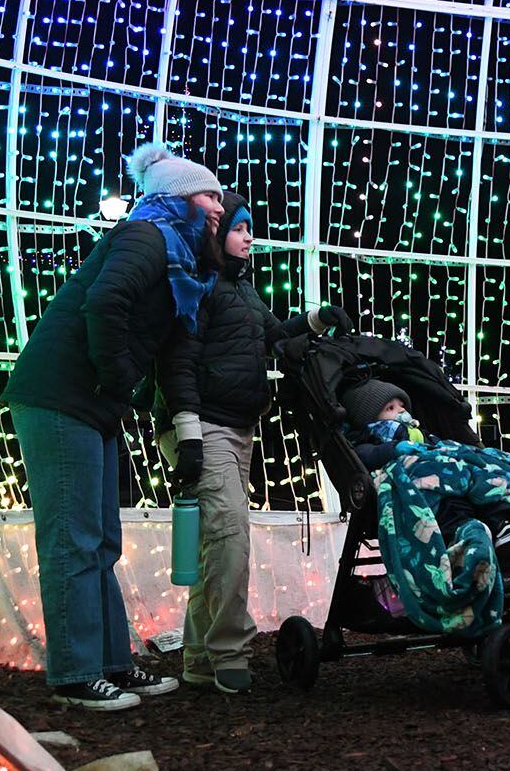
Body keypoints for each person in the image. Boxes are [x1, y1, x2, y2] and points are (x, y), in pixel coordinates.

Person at [2, 141, 220, 711]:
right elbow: (105, 305)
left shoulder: (183, 266)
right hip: (61, 395)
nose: (218, 207)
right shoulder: (145, 236)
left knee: (100, 540)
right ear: (177, 198)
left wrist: (179, 425)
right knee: (72, 539)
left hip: (92, 401)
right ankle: (75, 675)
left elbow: (173, 357)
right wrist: (120, 378)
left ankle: (113, 664)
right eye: (209, 194)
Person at [155, 190, 345, 695]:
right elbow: (178, 362)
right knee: (231, 538)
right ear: (215, 234)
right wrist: (190, 434)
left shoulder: (242, 290)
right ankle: (230, 652)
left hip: (237, 428)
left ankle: (198, 657)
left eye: (249, 228)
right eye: (239, 228)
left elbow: (272, 338)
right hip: (204, 427)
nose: (249, 237)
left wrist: (319, 320)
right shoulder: (197, 286)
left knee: (216, 544)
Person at [342, 381, 510, 561]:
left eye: (402, 405)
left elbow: (442, 445)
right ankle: (466, 534)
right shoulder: (371, 435)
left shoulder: (420, 432)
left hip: (446, 474)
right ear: (369, 418)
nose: (401, 411)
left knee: (483, 480)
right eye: (390, 408)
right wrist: (393, 449)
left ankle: (502, 524)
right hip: (420, 481)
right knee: (452, 506)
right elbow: (365, 454)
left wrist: (472, 452)